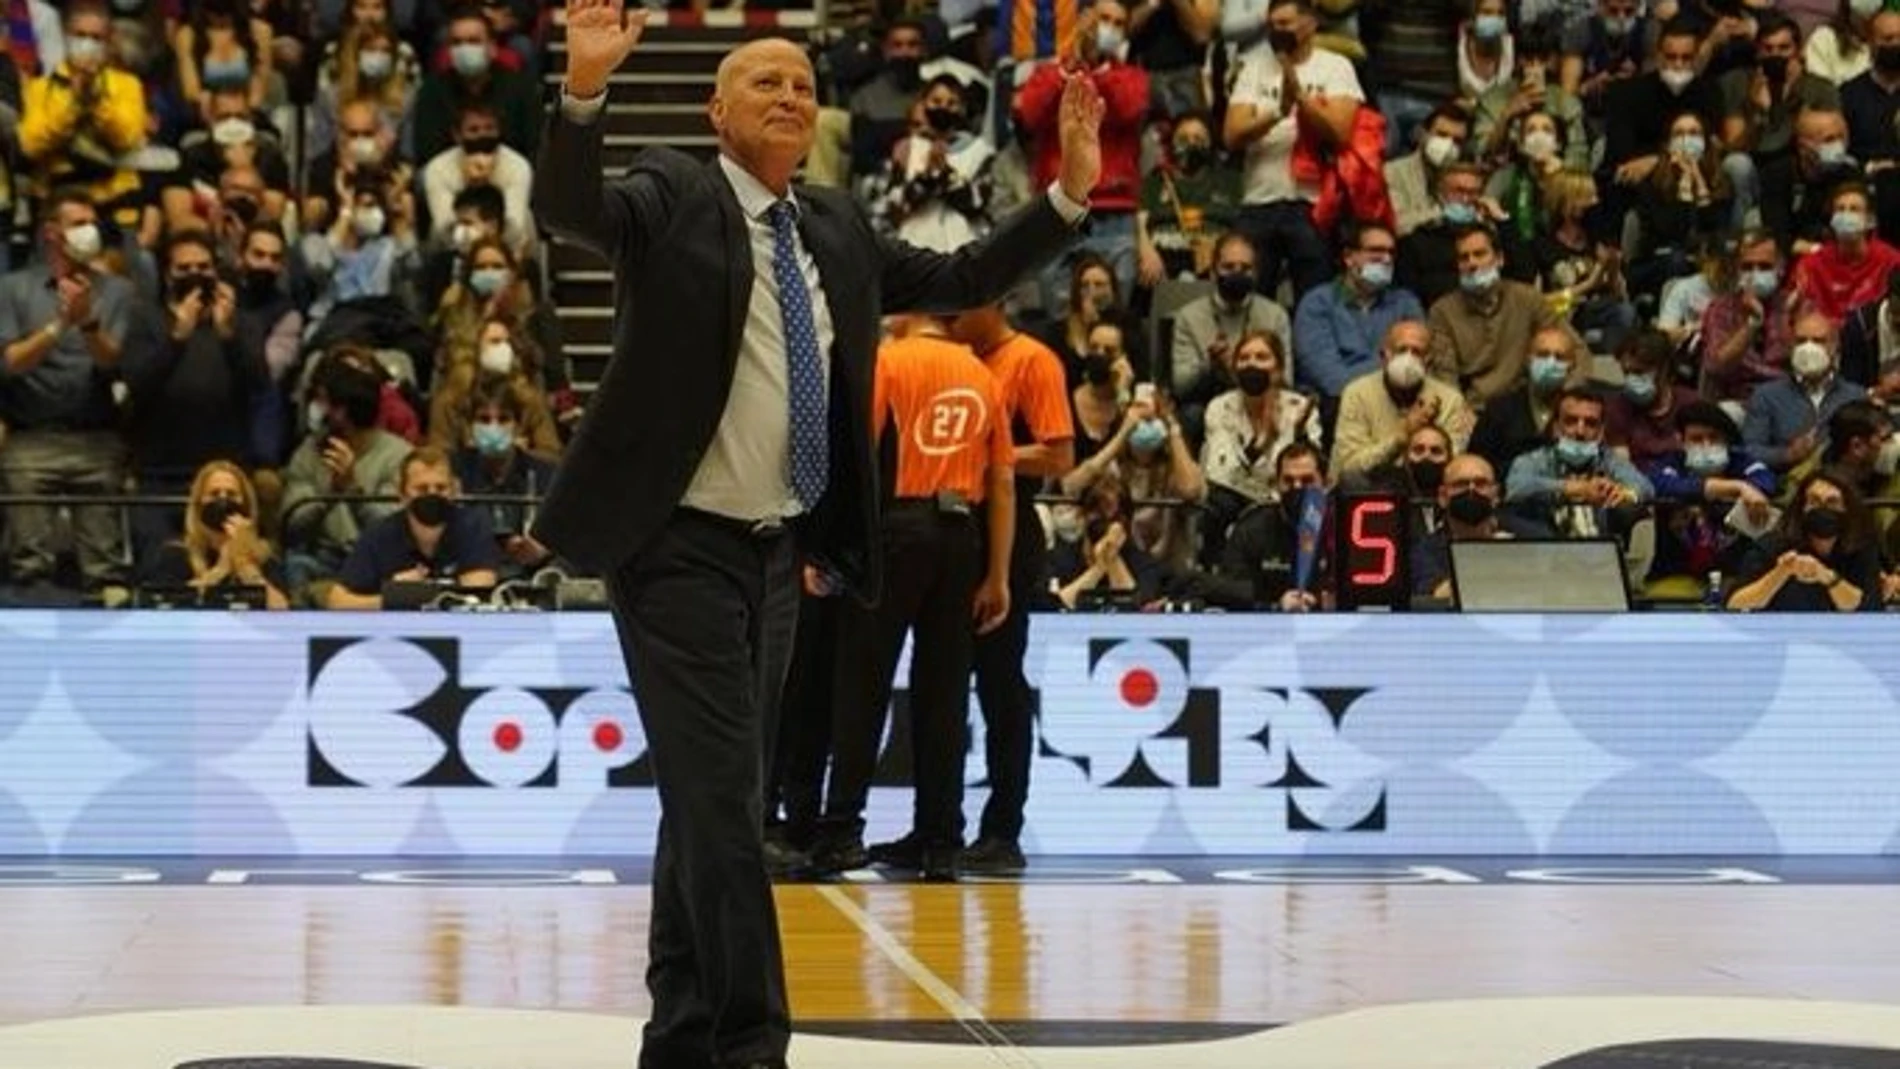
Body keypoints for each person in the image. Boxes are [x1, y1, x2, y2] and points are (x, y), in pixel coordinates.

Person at [528, 2, 1101, 1066]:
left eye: (801, 81)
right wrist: (584, 91)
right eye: (763, 81)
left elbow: (966, 276)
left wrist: (1068, 188)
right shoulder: (672, 190)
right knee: (725, 803)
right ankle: (751, 1043)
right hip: (672, 548)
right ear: (716, 108)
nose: (790, 93)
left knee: (707, 804)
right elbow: (568, 210)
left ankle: (683, 1032)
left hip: (775, 552)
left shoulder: (832, 226)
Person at [809, 316, 1015, 882]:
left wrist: (828, 550)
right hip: (962, 537)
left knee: (864, 682)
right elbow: (1002, 482)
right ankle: (941, 838)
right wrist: (997, 575)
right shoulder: (980, 373)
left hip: (897, 530)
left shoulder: (889, 361)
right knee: (944, 692)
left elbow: (855, 464)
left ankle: (842, 830)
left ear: (908, 315)